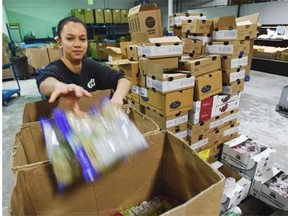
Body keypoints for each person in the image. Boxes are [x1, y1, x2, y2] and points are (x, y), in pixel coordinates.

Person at [37, 16, 131, 114]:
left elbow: (123, 80)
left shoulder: (90, 65)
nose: (77, 44)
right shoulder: (55, 69)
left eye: (82, 39)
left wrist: (117, 97)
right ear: (60, 42)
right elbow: (45, 83)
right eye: (70, 39)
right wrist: (58, 86)